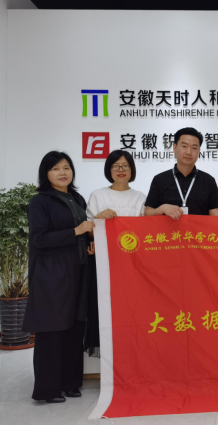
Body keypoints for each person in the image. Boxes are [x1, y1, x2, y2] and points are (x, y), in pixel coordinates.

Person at [23, 151, 95, 403]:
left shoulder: (77, 198)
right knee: (52, 330)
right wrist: (76, 231)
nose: (62, 173)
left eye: (66, 167)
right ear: (46, 174)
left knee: (75, 328)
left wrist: (88, 244)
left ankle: (71, 382)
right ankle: (48, 389)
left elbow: (82, 233)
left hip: (79, 271)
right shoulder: (39, 202)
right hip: (52, 275)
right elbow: (39, 239)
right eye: (55, 169)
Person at [84, 150, 146, 358]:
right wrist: (99, 218)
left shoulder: (140, 197)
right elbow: (88, 231)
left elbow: (144, 233)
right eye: (116, 166)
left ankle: (131, 354)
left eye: (125, 165)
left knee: (130, 310)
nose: (121, 170)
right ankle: (108, 360)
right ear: (108, 169)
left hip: (132, 266)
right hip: (104, 265)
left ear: (132, 169)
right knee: (105, 309)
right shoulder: (97, 195)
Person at [144, 127, 218, 219]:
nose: (189, 152)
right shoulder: (159, 179)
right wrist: (162, 209)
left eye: (194, 148)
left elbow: (216, 219)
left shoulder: (209, 181)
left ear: (199, 151)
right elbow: (148, 213)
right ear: (175, 148)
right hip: (168, 229)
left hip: (198, 229)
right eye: (184, 146)